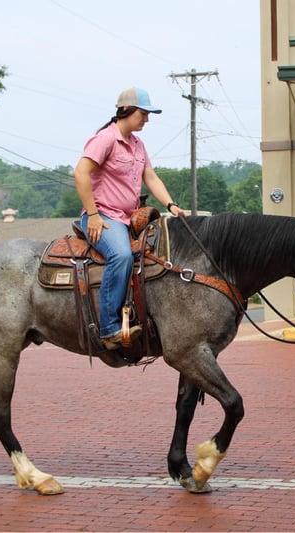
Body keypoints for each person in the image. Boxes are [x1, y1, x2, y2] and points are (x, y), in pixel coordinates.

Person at [74, 87, 185, 350]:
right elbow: (80, 173)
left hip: (130, 218)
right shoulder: (105, 139)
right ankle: (110, 328)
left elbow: (150, 177)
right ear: (126, 111)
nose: (147, 119)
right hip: (104, 217)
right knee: (121, 255)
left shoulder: (137, 144)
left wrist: (171, 204)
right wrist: (93, 215)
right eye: (143, 114)